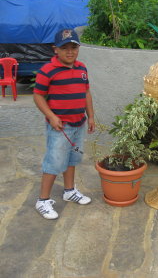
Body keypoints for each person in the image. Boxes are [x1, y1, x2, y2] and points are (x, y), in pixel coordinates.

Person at [33, 29, 95, 220]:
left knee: (71, 159)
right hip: (60, 126)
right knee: (54, 162)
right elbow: (38, 96)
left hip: (79, 124)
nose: (70, 52)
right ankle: (42, 200)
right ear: (55, 50)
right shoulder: (47, 70)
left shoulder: (82, 68)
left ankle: (69, 190)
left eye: (73, 47)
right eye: (64, 48)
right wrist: (51, 116)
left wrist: (90, 116)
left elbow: (86, 93)